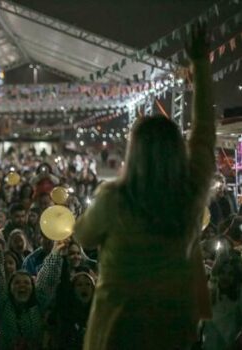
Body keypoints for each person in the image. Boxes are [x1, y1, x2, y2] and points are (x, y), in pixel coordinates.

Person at [73, 23, 215, 350]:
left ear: (133, 154)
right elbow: (205, 132)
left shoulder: (114, 199)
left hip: (117, 331)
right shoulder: (190, 195)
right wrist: (201, 64)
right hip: (172, 329)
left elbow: (84, 236)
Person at [0, 223, 64, 349]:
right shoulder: (3, 303)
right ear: (9, 288)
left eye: (26, 282)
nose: (22, 285)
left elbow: (48, 276)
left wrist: (56, 250)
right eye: (17, 282)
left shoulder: (39, 303)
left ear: (33, 287)